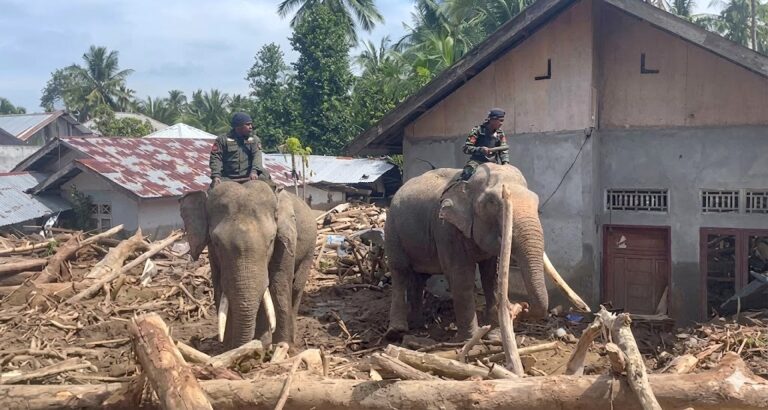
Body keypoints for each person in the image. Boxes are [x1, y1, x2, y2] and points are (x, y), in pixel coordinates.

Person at [209, 112, 271, 187]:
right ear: (239, 126)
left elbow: (257, 156)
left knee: (266, 178)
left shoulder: (254, 140)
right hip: (228, 178)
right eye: (247, 124)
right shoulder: (222, 140)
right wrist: (216, 175)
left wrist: (254, 171)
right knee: (213, 192)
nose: (251, 127)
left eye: (251, 124)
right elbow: (216, 158)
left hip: (250, 176)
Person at [459, 108, 509, 181]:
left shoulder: (500, 133)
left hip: (494, 163)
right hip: (477, 162)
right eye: (500, 120)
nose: (501, 123)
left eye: (502, 121)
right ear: (492, 120)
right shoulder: (477, 130)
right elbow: (466, 148)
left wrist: (505, 162)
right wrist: (480, 149)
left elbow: (503, 150)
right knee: (467, 173)